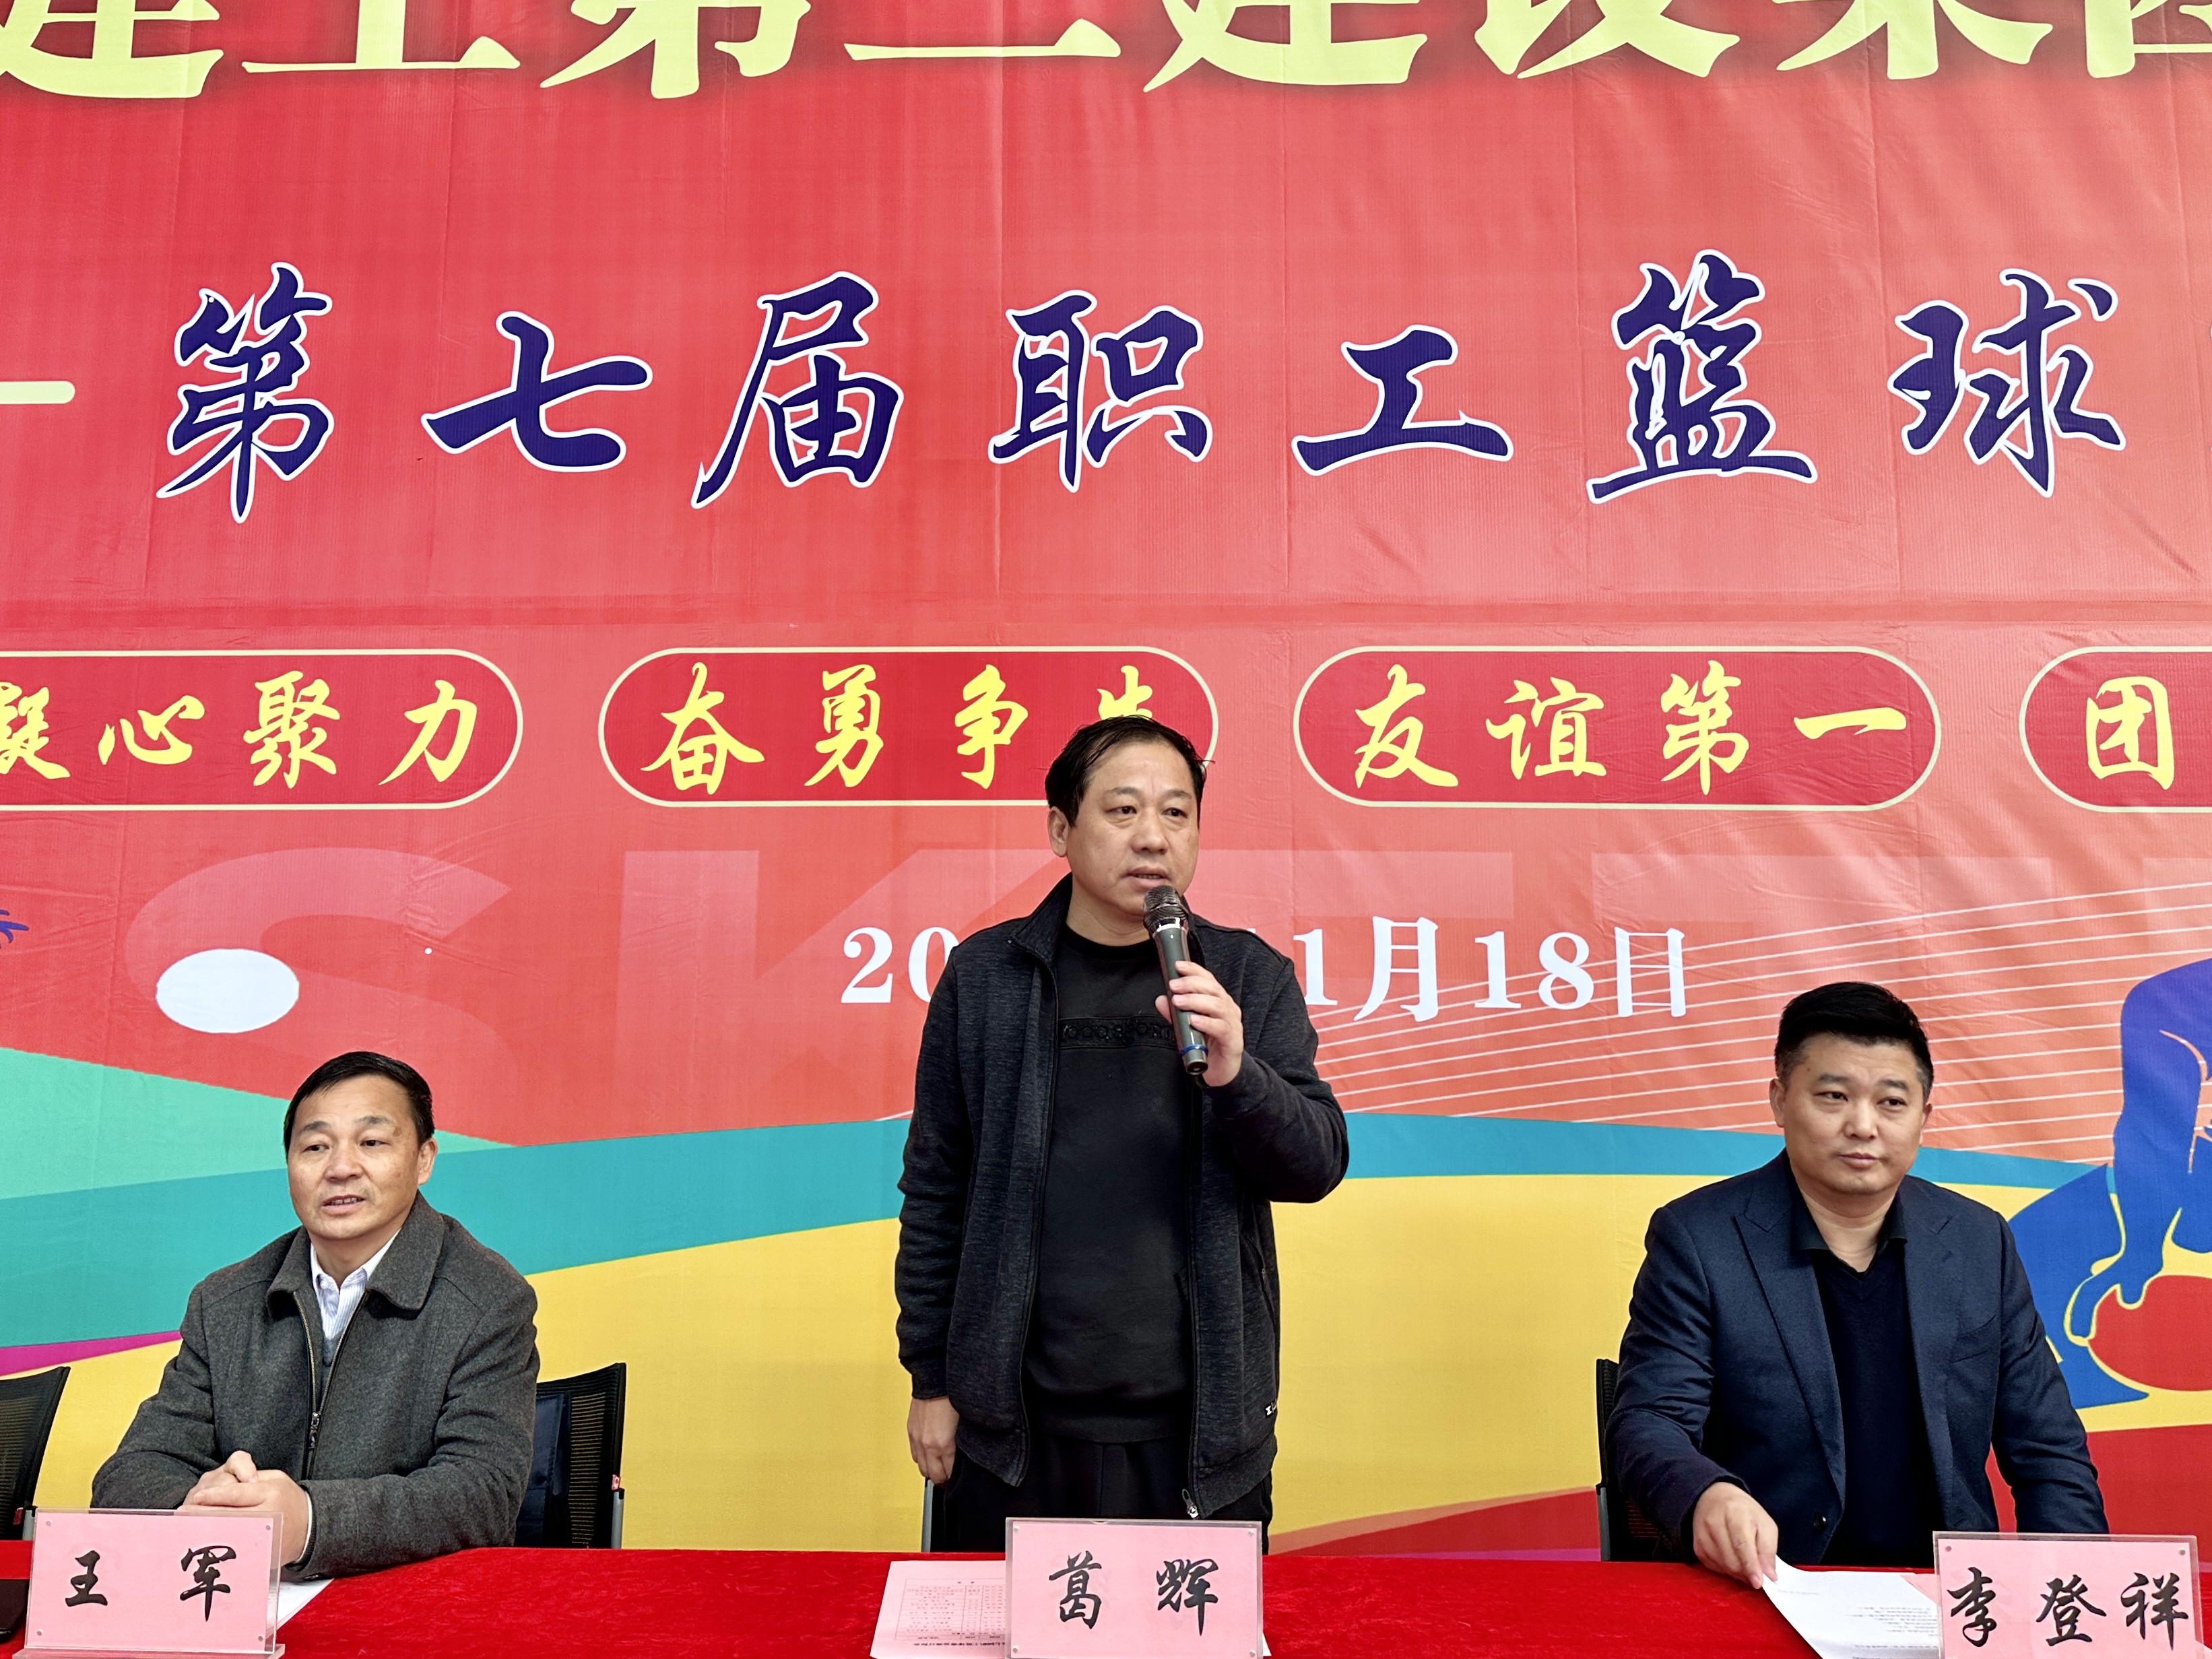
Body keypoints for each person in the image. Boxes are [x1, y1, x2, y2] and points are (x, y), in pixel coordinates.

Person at [897, 716, 1347, 1548]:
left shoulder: (1245, 976)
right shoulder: (986, 978)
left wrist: (1238, 1075)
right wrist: (930, 1378)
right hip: (1013, 1432)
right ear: (1059, 829)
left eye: (1176, 813)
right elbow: (936, 1187)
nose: (1152, 837)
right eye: (1123, 810)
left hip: (1196, 1438)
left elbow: (1314, 1165)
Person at [1608, 981, 2106, 1586]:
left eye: (1891, 1102)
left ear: (1924, 1116)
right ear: (1780, 1100)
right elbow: (1651, 1420)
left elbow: (2049, 1448)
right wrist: (1706, 1492)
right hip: (1768, 1586)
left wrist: (2075, 1591)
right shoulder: (1699, 1239)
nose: (1863, 1125)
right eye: (1834, 1096)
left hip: (1948, 1597)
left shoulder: (1979, 1241)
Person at [93, 1052, 539, 1577]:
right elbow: (129, 1473)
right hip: (243, 1594)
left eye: (372, 1142)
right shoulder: (225, 1302)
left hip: (404, 1602)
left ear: (424, 1158)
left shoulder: (486, 1299)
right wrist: (201, 1505)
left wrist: (309, 1521)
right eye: (315, 1146)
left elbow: (482, 1493)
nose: (341, 1167)